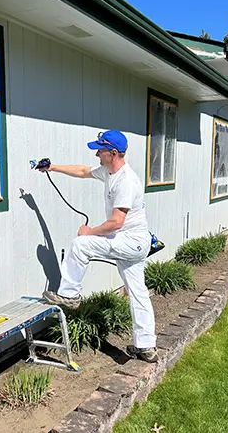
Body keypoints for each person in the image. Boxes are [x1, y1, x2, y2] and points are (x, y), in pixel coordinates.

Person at [38, 130, 158, 363]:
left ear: (113, 153)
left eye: (100, 150)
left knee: (81, 244)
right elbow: (83, 171)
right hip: (131, 242)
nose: (96, 154)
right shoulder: (109, 172)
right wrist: (52, 167)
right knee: (138, 292)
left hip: (130, 240)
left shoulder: (126, 181)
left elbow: (116, 222)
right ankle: (146, 346)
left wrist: (89, 231)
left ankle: (69, 295)